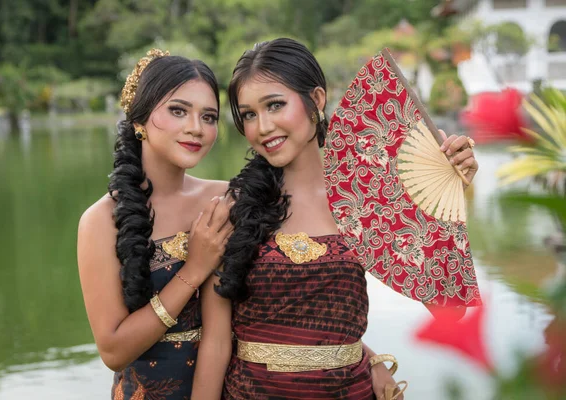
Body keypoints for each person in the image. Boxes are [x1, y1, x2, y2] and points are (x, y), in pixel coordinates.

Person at [191, 38, 479, 400]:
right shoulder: (235, 209)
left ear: (317, 99)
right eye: (248, 114)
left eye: (275, 105)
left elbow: (447, 311)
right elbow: (215, 344)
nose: (262, 127)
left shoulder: (367, 196)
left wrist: (443, 194)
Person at [77, 49, 233, 400]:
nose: (197, 128)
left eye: (209, 117)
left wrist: (365, 357)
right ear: (139, 120)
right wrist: (193, 270)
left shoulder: (224, 200)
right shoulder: (101, 222)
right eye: (178, 111)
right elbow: (113, 351)